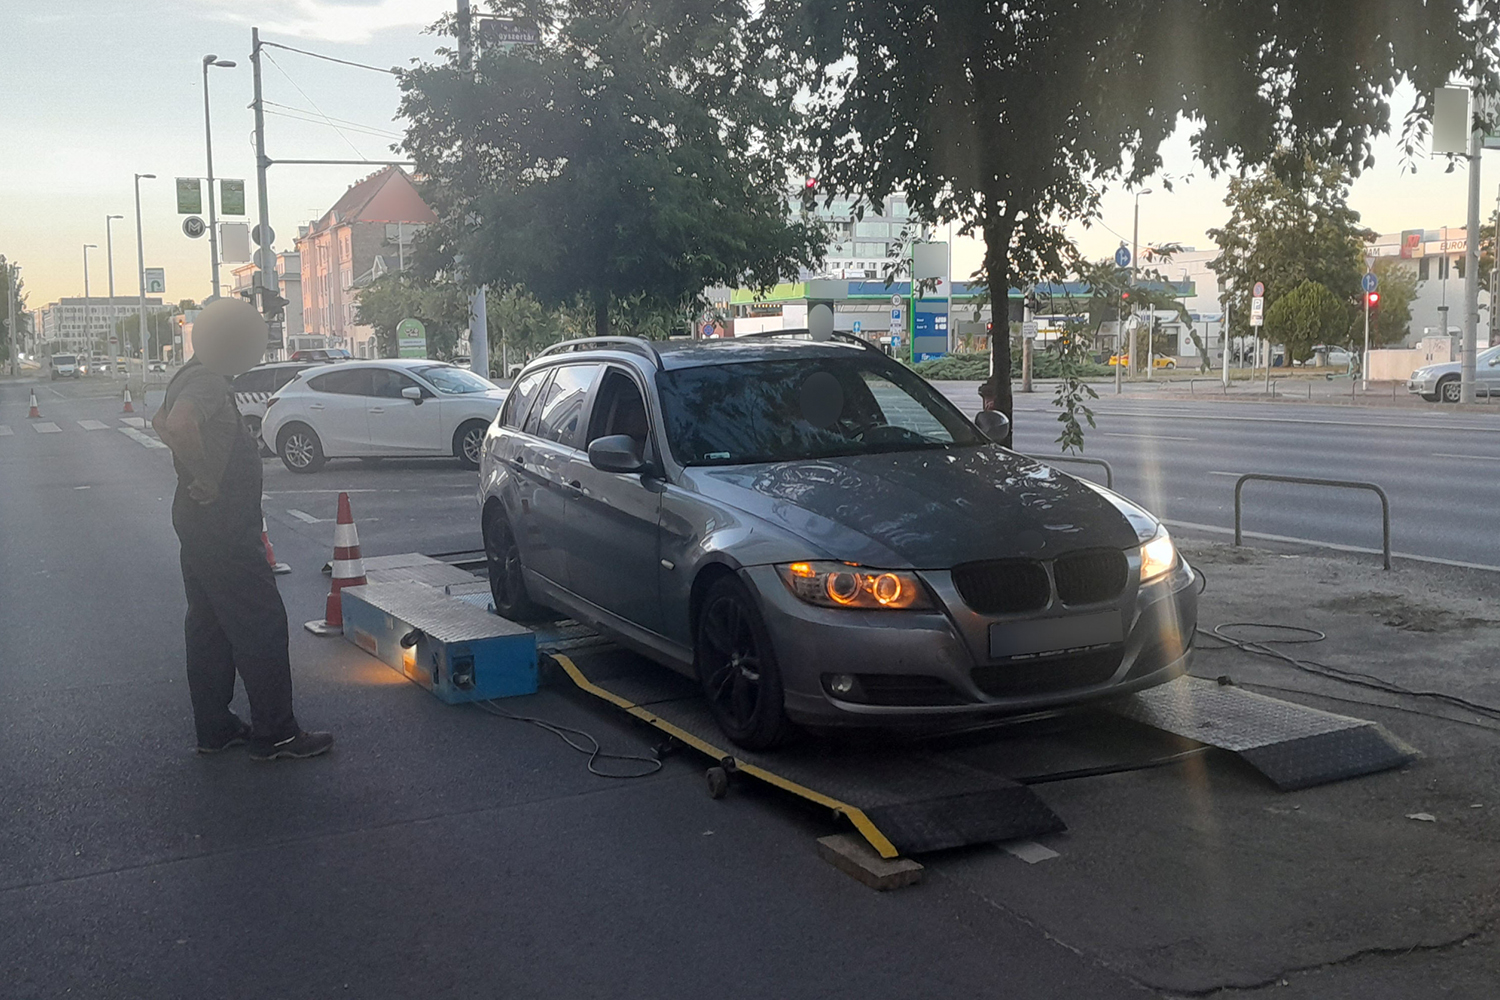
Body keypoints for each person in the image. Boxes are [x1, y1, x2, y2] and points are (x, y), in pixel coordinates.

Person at [153, 299, 333, 761]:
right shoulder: (208, 381)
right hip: (221, 524)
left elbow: (159, 422)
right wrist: (206, 475)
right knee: (261, 623)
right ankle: (278, 733)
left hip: (197, 522)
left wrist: (194, 470)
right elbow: (178, 423)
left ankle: (214, 728)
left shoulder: (188, 375)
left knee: (209, 624)